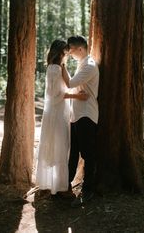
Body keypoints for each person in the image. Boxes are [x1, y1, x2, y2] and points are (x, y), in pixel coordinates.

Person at [36, 39, 89, 195]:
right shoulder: (53, 69)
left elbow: (67, 84)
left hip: (62, 111)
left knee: (60, 146)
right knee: (58, 147)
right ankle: (59, 187)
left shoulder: (59, 67)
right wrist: (77, 97)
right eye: (66, 52)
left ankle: (54, 184)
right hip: (55, 112)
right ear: (60, 52)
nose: (68, 54)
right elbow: (54, 95)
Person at [62, 35, 99, 207]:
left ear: (80, 49)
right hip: (76, 115)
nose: (69, 53)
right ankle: (66, 187)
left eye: (70, 50)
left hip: (86, 115)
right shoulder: (81, 64)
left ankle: (88, 191)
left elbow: (70, 83)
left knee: (88, 154)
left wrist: (59, 64)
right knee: (74, 153)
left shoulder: (90, 66)